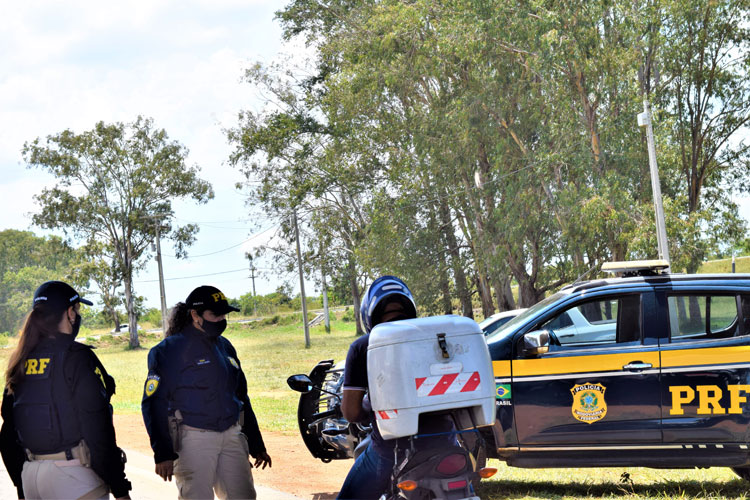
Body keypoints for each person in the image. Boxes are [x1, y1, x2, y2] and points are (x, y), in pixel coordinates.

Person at [0, 280, 131, 499]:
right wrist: (119, 488)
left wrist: (22, 488)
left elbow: (7, 435)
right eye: (77, 310)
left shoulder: (20, 361)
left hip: (32, 476)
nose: (77, 316)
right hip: (73, 478)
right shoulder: (77, 357)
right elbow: (98, 430)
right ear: (70, 313)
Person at [142, 285, 271, 500]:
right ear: (195, 315)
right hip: (192, 438)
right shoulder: (168, 351)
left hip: (231, 434)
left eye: (224, 314)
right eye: (215, 314)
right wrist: (163, 453)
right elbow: (153, 404)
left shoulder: (225, 346)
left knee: (244, 496)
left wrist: (256, 444)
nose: (221, 320)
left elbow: (241, 396)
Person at [337, 276, 418, 500]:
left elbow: (351, 413)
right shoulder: (429, 337)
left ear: (369, 313)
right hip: (448, 441)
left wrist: (366, 408)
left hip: (391, 450)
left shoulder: (363, 347)